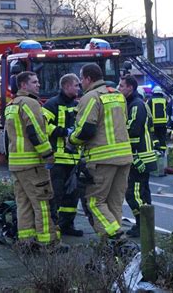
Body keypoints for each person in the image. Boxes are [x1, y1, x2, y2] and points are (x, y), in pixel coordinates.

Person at [68, 63, 132, 239]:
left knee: (95, 203)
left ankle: (117, 238)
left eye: (81, 79)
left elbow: (86, 130)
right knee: (114, 204)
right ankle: (113, 251)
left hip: (102, 159)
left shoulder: (90, 97)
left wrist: (71, 140)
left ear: (88, 78)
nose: (81, 83)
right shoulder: (118, 96)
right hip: (125, 157)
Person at [5, 71, 67, 250]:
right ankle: (49, 243)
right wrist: (48, 153)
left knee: (23, 203)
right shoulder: (30, 103)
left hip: (17, 163)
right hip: (32, 163)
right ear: (23, 85)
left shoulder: (11, 105)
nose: (38, 85)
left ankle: (26, 241)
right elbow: (36, 132)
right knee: (43, 202)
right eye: (34, 82)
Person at [42, 73, 83, 237]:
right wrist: (63, 132)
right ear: (66, 86)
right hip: (57, 159)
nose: (78, 88)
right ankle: (54, 227)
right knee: (56, 195)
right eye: (76, 85)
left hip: (74, 159)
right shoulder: (51, 104)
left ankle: (67, 225)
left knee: (72, 196)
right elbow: (43, 126)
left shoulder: (77, 104)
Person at [118, 75, 157, 237]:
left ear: (130, 88)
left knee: (133, 194)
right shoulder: (134, 103)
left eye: (121, 86)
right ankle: (145, 225)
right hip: (141, 156)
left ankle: (142, 225)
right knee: (143, 194)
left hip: (138, 157)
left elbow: (133, 131)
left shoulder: (136, 105)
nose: (119, 89)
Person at [148, 86, 168, 153]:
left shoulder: (150, 100)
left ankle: (157, 148)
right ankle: (163, 150)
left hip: (154, 123)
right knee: (162, 137)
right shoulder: (164, 100)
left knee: (154, 136)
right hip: (163, 123)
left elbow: (148, 111)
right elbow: (167, 110)